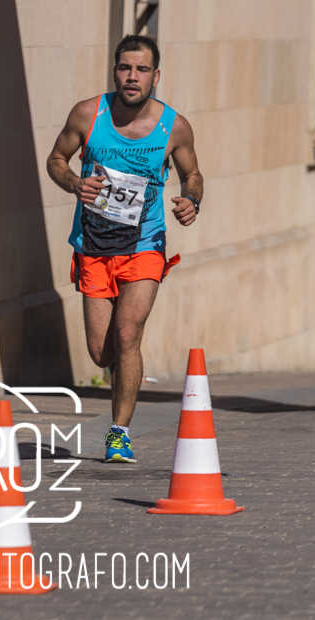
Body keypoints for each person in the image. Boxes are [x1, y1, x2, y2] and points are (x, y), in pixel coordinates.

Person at [46, 35, 203, 462]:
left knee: (128, 332)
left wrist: (191, 200)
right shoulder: (87, 114)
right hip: (94, 245)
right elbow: (56, 159)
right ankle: (123, 372)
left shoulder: (175, 126)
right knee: (102, 353)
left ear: (156, 75)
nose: (131, 77)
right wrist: (75, 183)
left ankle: (119, 432)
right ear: (115, 71)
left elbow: (192, 174)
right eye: (124, 68)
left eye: (141, 69)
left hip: (145, 243)